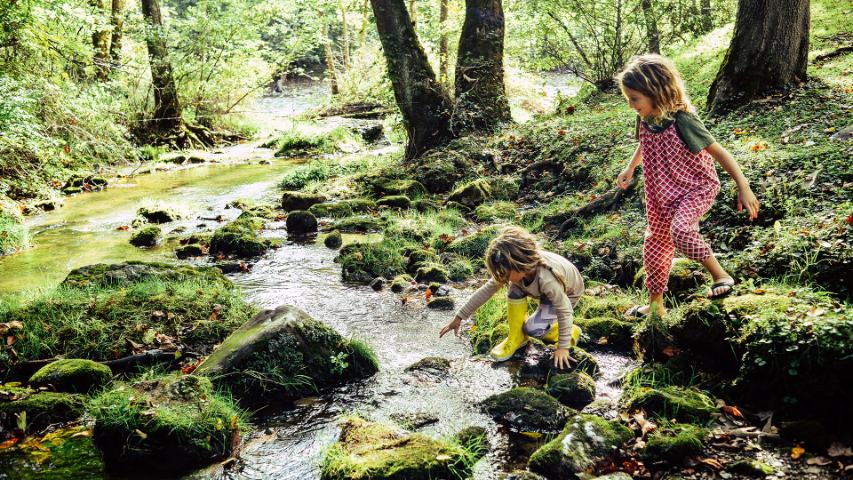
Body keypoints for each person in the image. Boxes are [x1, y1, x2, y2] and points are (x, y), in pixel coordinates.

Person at [615, 54, 760, 319]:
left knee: (681, 231)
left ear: (655, 91)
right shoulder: (646, 117)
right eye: (628, 98)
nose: (630, 104)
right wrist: (631, 166)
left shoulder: (683, 120)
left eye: (634, 98)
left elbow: (720, 152)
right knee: (655, 244)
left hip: (695, 188)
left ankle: (721, 275)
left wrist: (743, 186)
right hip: (660, 193)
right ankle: (655, 304)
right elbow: (644, 143)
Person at [439, 226, 584, 368]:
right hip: (544, 291)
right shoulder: (516, 269)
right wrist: (459, 317)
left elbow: (564, 309)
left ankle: (570, 331)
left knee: (533, 329)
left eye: (505, 274)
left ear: (519, 263)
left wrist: (563, 347)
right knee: (514, 287)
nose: (502, 277)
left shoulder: (547, 278)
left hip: (568, 293)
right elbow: (486, 290)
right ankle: (517, 338)